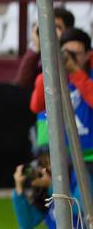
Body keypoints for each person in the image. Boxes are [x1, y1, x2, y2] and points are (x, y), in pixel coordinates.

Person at [30, 28, 93, 165]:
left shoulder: (90, 75)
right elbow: (36, 106)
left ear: (88, 54)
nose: (70, 57)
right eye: (66, 52)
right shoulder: (54, 77)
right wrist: (50, 70)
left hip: (89, 157)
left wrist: (76, 72)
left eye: (76, 53)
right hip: (61, 157)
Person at [17, 6, 76, 91]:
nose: (50, 31)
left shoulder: (75, 52)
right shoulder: (39, 53)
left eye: (57, 27)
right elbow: (22, 82)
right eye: (48, 26)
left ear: (68, 31)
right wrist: (37, 48)